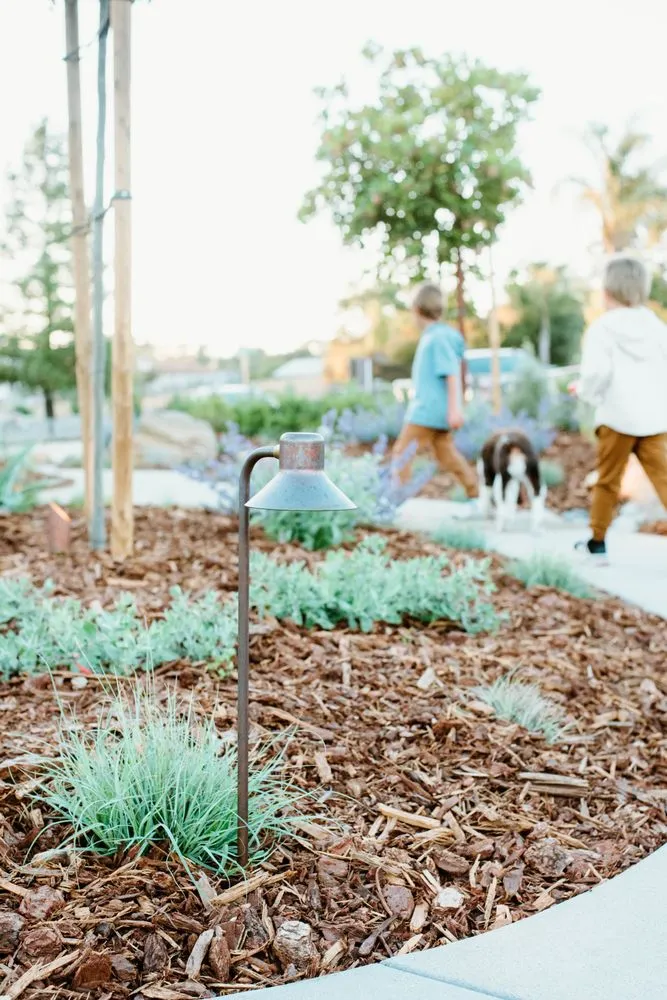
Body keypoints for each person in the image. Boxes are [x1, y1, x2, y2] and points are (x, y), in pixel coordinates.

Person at [575, 255, 667, 561]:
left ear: (607, 290)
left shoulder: (602, 329)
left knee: (607, 481)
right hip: (654, 418)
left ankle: (597, 543)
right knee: (664, 480)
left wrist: (586, 392)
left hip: (617, 417)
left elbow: (596, 374)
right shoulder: (656, 327)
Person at [393, 283, 478, 498]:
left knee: (402, 454)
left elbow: (451, 373)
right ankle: (476, 493)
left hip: (426, 411)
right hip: (437, 411)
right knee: (446, 455)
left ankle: (394, 500)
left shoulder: (436, 339)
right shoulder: (438, 336)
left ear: (416, 309)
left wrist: (455, 410)